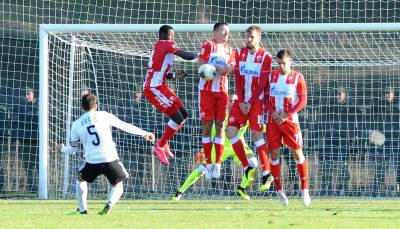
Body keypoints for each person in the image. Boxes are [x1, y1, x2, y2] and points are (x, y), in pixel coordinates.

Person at [57, 93, 155, 215]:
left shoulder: (76, 124)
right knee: (118, 185)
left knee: (80, 179)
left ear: (81, 107)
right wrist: (144, 133)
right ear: (96, 105)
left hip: (92, 162)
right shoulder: (104, 115)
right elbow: (124, 125)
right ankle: (109, 204)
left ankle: (82, 210)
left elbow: (72, 149)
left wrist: (62, 149)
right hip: (110, 158)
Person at [225, 25, 273, 200]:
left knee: (256, 134)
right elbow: (237, 78)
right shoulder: (238, 53)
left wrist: (250, 102)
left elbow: (262, 83)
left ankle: (267, 172)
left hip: (256, 102)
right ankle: (247, 167)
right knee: (230, 131)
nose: (249, 39)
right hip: (241, 101)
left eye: (252, 37)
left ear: (259, 38)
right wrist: (240, 99)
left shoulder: (266, 56)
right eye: (247, 36)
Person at [143, 24, 197, 166]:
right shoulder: (167, 44)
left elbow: (159, 71)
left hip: (160, 86)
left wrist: (174, 75)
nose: (173, 37)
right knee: (177, 117)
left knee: (183, 114)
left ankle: (164, 143)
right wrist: (202, 54)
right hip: (154, 88)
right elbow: (187, 56)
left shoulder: (156, 47)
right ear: (166, 34)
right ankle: (160, 145)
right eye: (171, 34)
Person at [263, 50, 310, 206]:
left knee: (297, 152)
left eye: (284, 63)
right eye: (279, 63)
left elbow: (303, 101)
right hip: (273, 121)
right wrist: (273, 112)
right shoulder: (271, 76)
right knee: (274, 155)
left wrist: (287, 114)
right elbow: (266, 98)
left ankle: (304, 189)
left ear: (290, 61)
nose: (281, 66)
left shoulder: (298, 77)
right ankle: (279, 191)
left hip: (290, 121)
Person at [172, 117, 256, 201]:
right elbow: (211, 134)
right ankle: (180, 192)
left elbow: (258, 126)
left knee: (253, 163)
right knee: (202, 169)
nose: (231, 103)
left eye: (233, 102)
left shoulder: (245, 114)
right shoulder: (223, 115)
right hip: (221, 147)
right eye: (230, 102)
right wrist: (203, 150)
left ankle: (241, 188)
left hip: (238, 144)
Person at [197, 22, 234, 180]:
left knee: (220, 126)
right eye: (223, 31)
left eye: (228, 32)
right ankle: (209, 162)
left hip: (222, 92)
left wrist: (225, 70)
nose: (226, 34)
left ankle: (217, 163)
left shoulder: (229, 50)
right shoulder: (208, 45)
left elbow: (230, 69)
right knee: (207, 126)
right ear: (215, 32)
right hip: (206, 92)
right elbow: (200, 66)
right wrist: (210, 70)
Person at [367, 86, 399, 196]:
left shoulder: (398, 107)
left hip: (396, 141)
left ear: (393, 94)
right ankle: (376, 190)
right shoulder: (378, 107)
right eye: (385, 93)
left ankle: (398, 189)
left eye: (389, 93)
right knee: (380, 167)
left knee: (398, 166)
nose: (387, 95)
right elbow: (371, 122)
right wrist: (373, 133)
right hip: (382, 142)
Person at [12, 87, 39, 192]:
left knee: (38, 165)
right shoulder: (20, 107)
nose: (26, 96)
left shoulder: (39, 106)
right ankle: (32, 188)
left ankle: (42, 187)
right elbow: (16, 123)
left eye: (28, 94)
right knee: (28, 165)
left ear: (33, 94)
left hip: (37, 141)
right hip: (25, 140)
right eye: (25, 94)